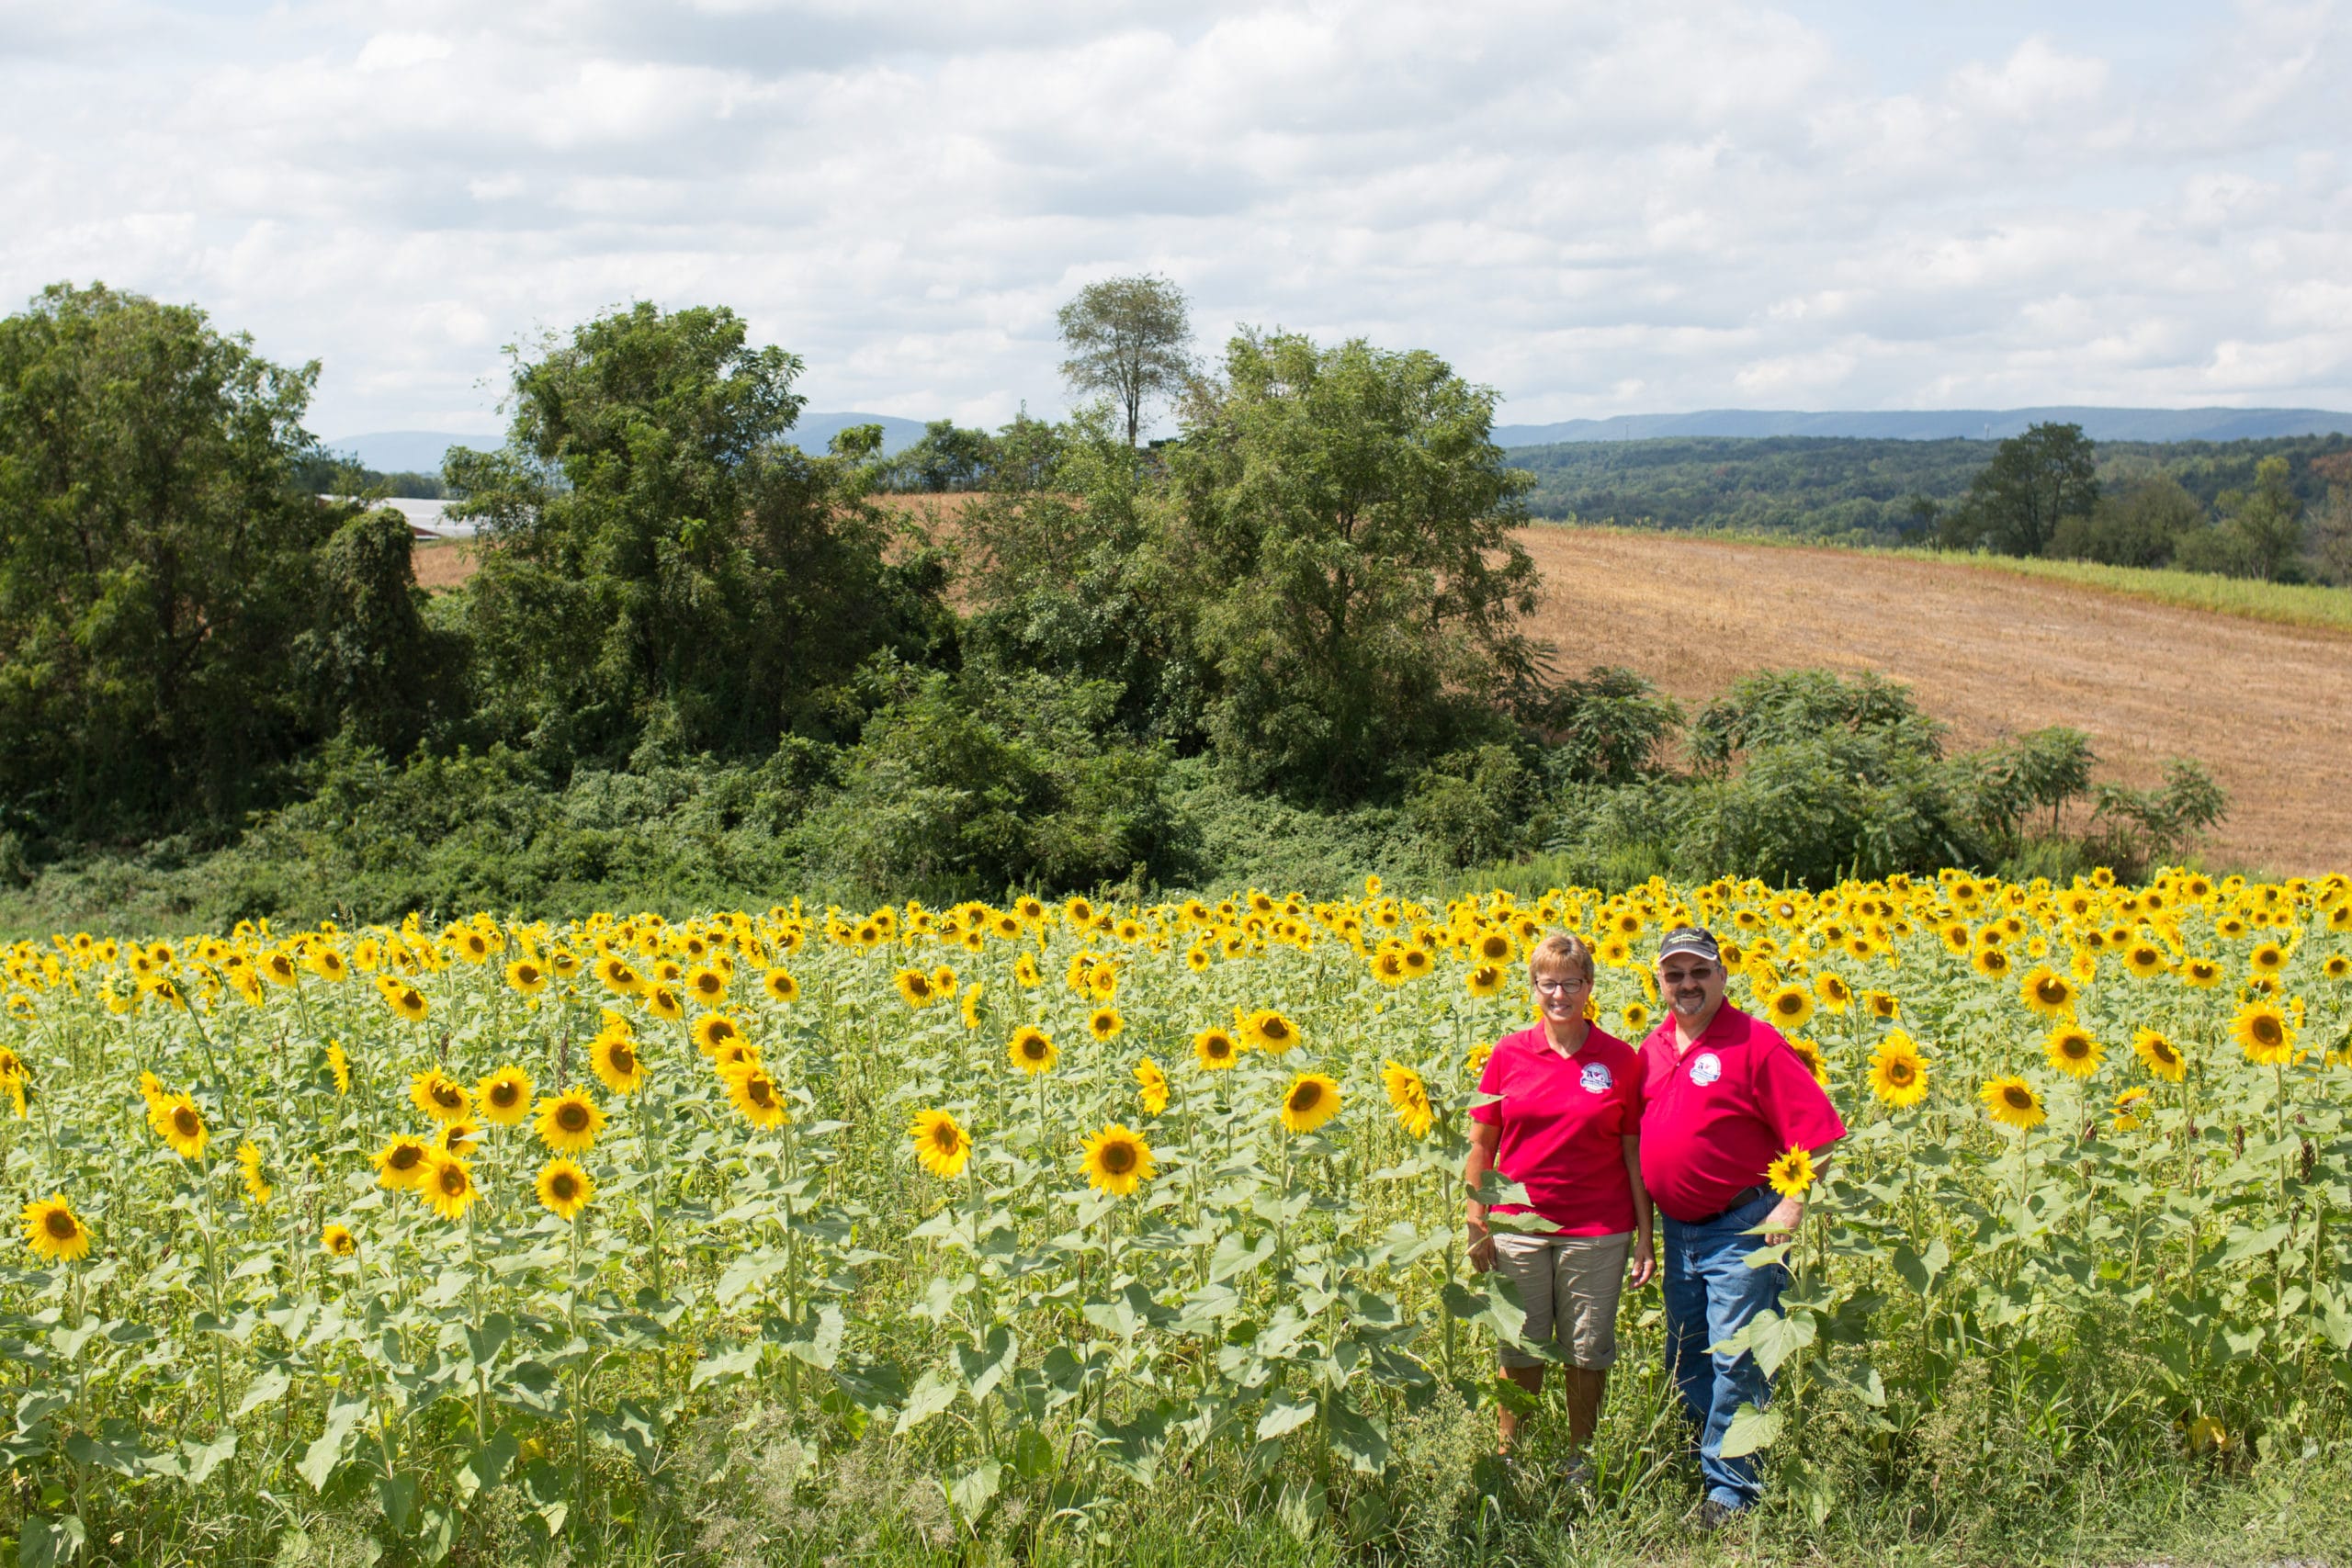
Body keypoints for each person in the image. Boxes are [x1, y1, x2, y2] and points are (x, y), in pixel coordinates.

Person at [1636, 925, 1846, 1528]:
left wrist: (1791, 1205)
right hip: (1680, 1233)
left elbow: (1821, 1131)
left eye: (1699, 971)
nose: (1687, 984)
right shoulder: (1652, 1049)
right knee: (1688, 1353)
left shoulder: (1755, 1042)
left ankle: (1732, 1492)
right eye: (1674, 974)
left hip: (1743, 1226)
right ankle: (1711, 1460)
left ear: (1723, 975)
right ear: (1660, 982)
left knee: (1738, 1357)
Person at [1464, 931, 1656, 1472]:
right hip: (1518, 1222)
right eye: (1548, 983)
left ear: (1590, 986)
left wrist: (1645, 1236)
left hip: (1597, 1227)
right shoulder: (1509, 1054)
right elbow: (1484, 1142)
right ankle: (1510, 1455)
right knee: (1519, 1348)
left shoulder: (1620, 1059)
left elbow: (1632, 1154)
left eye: (1571, 983)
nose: (1559, 995)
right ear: (1533, 988)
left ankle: (1581, 1457)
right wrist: (1476, 1220)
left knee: (1587, 1349)